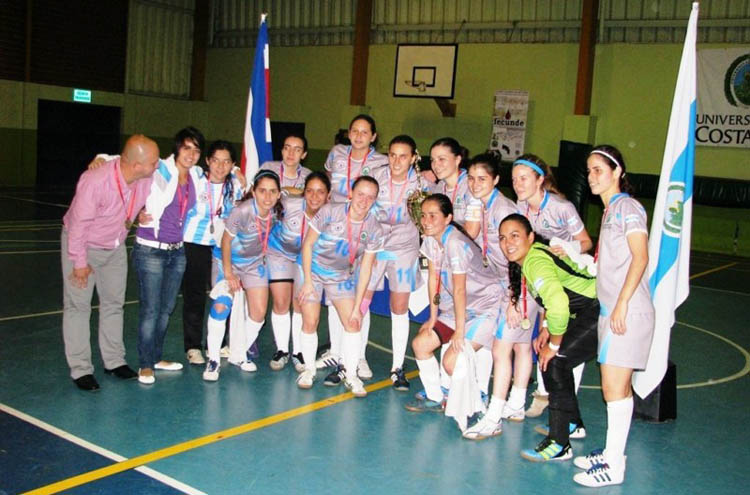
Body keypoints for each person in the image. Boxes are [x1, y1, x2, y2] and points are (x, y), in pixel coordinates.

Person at [572, 145, 654, 487]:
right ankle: (609, 452)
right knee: (614, 388)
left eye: (599, 170)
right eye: (589, 171)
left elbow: (641, 257)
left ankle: (614, 467)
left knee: (614, 390)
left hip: (627, 311)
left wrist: (621, 303)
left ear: (617, 172)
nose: (592, 177)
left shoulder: (628, 208)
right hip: (611, 309)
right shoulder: (610, 212)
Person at [61, 135, 159, 391]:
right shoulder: (95, 181)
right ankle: (81, 369)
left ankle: (114, 361)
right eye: (153, 162)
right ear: (137, 164)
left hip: (114, 247)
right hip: (83, 246)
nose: (157, 165)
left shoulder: (144, 176)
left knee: (114, 304)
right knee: (78, 306)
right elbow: (78, 227)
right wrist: (79, 263)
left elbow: (176, 166)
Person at [498, 214, 598, 462]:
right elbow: (553, 299)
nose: (507, 242)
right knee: (548, 360)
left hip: (599, 309)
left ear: (530, 237)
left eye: (515, 235)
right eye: (502, 237)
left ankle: (559, 443)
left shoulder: (535, 261)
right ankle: (573, 423)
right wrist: (546, 329)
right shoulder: (530, 258)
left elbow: (559, 304)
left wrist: (554, 344)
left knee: (554, 360)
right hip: (583, 311)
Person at [461, 154, 538, 439]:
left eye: (482, 178)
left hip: (521, 286)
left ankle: (493, 417)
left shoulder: (503, 210)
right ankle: (516, 404)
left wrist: (517, 300)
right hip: (507, 284)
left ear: (495, 180)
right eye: (470, 178)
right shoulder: (480, 205)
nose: (474, 183)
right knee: (521, 347)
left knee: (500, 349)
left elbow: (523, 255)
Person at [512, 153, 593, 425]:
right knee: (541, 334)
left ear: (540, 180)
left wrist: (568, 248)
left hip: (569, 281)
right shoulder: (519, 208)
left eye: (524, 178)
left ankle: (567, 407)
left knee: (567, 345)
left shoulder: (562, 207)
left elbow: (586, 242)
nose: (518, 184)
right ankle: (542, 394)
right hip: (539, 276)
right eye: (514, 179)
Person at [405, 194, 501, 416]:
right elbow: (433, 279)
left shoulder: (455, 242)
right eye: (423, 216)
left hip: (485, 308)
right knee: (421, 344)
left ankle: (478, 400)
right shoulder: (430, 239)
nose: (426, 221)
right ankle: (437, 396)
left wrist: (458, 331)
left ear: (448, 218)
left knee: (452, 361)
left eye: (433, 216)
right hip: (460, 308)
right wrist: (432, 317)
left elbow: (459, 289)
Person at [295, 176, 384, 397]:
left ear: (375, 200)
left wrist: (357, 307)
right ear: (351, 193)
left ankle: (351, 375)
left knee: (354, 323)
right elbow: (307, 245)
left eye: (370, 197)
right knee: (310, 320)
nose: (364, 200)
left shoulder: (374, 227)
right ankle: (308, 369)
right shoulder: (330, 211)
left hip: (341, 276)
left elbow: (366, 269)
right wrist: (307, 281)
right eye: (361, 194)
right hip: (312, 270)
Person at [132, 127, 205, 385]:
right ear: (177, 149)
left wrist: (239, 173)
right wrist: (135, 212)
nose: (191, 154)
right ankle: (144, 364)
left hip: (177, 252)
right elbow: (126, 166)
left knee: (166, 310)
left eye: (196, 150)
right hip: (151, 250)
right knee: (151, 310)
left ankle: (155, 357)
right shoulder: (161, 169)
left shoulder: (196, 175)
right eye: (187, 148)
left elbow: (222, 173)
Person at [318, 115, 388, 381]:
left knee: (361, 296)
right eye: (355, 131)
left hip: (365, 231)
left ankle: (358, 356)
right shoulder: (337, 153)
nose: (359, 136)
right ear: (348, 133)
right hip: (336, 232)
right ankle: (337, 351)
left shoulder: (381, 161)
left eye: (365, 132)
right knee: (334, 295)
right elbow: (327, 180)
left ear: (373, 136)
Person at [365, 135, 432, 390]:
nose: (396, 161)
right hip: (376, 246)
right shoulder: (375, 177)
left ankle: (397, 367)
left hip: (404, 248)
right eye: (392, 154)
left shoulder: (422, 184)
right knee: (363, 298)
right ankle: (356, 358)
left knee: (399, 306)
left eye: (403, 156)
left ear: (414, 157)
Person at [202, 170, 283, 381]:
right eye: (262, 191)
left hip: (254, 263)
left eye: (272, 191)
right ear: (253, 192)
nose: (267, 196)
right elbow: (226, 241)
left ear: (278, 194)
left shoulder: (276, 213)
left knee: (258, 312)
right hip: (226, 262)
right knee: (221, 306)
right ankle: (213, 360)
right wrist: (228, 273)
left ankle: (238, 353)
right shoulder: (243, 211)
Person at [181, 140, 245, 365]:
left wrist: (238, 172)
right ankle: (193, 346)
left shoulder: (236, 185)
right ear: (207, 161)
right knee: (195, 295)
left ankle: (219, 344)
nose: (220, 166)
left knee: (223, 293)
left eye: (227, 162)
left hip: (221, 248)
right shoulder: (195, 176)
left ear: (232, 164)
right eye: (215, 160)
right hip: (194, 244)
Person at [266, 172, 331, 372]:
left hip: (306, 257)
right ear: (303, 193)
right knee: (280, 302)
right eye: (309, 191)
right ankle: (282, 350)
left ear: (329, 196)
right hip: (280, 253)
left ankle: (299, 352)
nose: (314, 196)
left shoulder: (332, 215)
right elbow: (269, 196)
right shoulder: (289, 205)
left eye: (320, 192)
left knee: (300, 302)